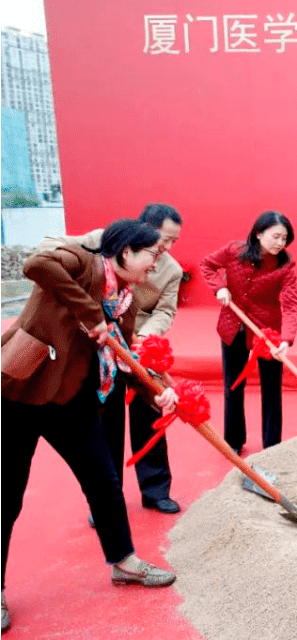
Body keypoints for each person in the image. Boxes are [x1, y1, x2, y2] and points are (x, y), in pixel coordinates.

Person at [2, 220, 181, 633]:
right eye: (152, 255)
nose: (156, 265)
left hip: (72, 402)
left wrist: (156, 392)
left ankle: (125, 563)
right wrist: (89, 313)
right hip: (19, 394)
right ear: (125, 252)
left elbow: (123, 358)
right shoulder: (80, 262)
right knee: (5, 493)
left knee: (104, 482)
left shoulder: (128, 302)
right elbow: (36, 264)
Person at [37, 203, 185, 515]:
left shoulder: (170, 269)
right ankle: (105, 497)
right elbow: (47, 249)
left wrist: (144, 340)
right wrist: (89, 311)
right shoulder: (106, 241)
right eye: (163, 238)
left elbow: (165, 310)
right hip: (98, 342)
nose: (167, 248)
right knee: (106, 423)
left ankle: (155, 490)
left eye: (174, 241)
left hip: (141, 342)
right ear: (139, 231)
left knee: (152, 411)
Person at [200, 211, 297, 455]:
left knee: (271, 389)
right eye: (276, 236)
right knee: (233, 385)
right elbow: (207, 265)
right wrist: (219, 288)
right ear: (259, 233)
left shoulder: (285, 265)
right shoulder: (234, 251)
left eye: (284, 238)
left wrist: (286, 339)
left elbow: (291, 304)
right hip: (232, 328)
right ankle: (233, 441)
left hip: (267, 333)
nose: (280, 243)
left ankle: (272, 445)